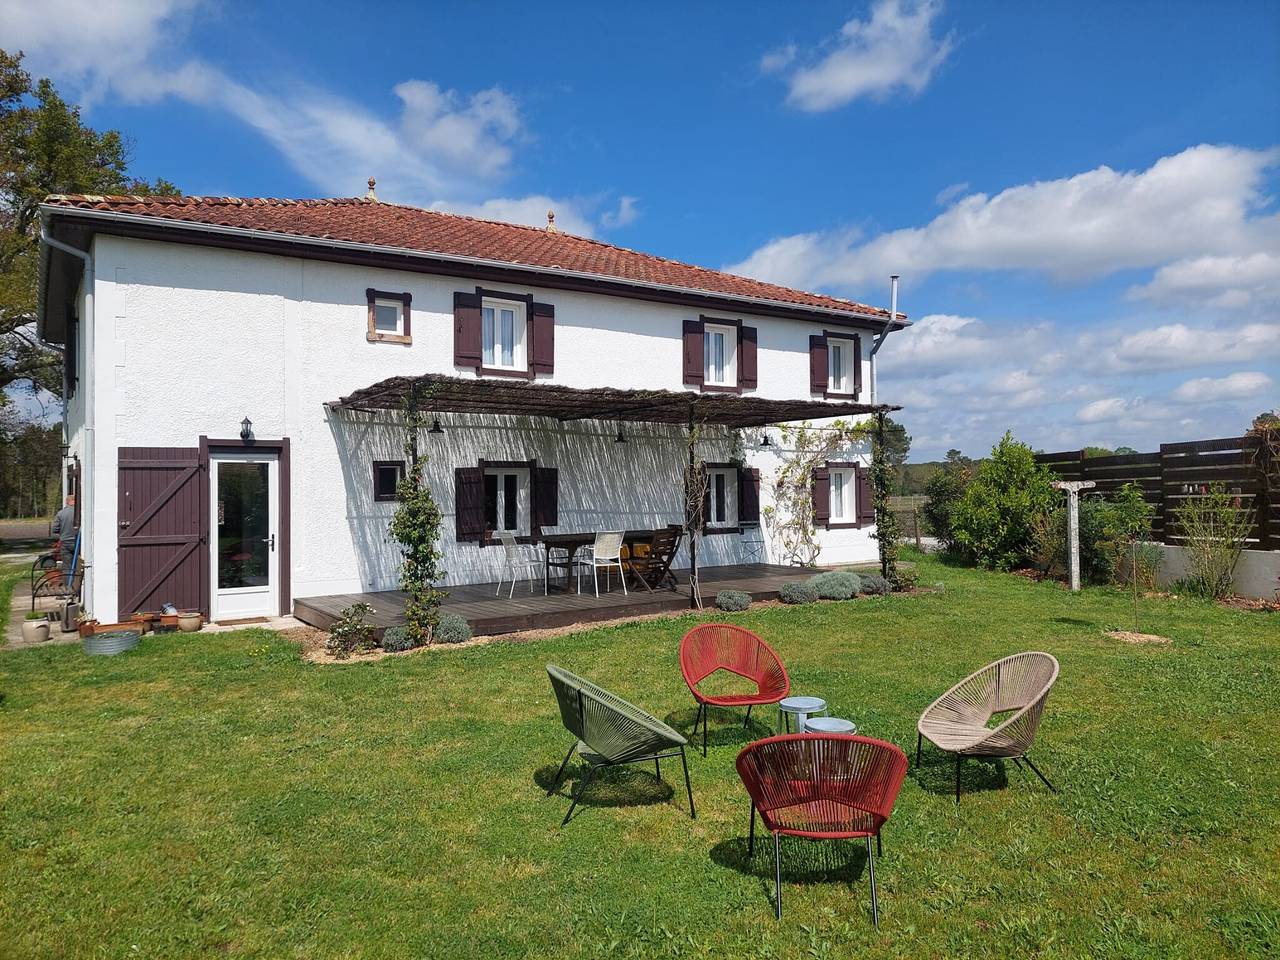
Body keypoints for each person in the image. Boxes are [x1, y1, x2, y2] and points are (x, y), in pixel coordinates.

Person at [51, 495, 77, 562]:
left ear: (67, 502)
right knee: (78, 563)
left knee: (66, 564)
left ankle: (67, 572)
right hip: (78, 541)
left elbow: (55, 529)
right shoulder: (80, 512)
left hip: (65, 541)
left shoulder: (60, 513)